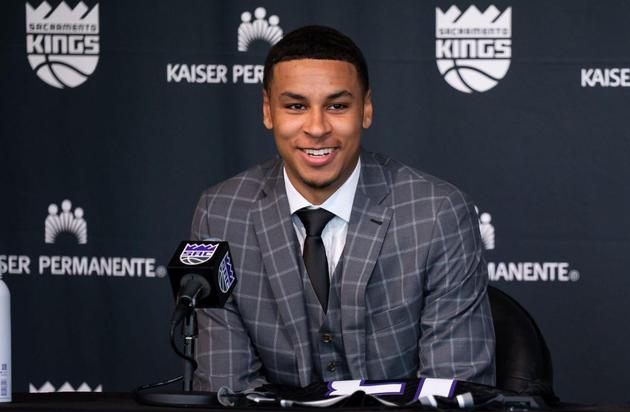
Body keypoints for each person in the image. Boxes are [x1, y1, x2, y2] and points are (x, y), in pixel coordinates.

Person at [190, 25, 494, 391]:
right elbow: (228, 393)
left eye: (337, 106)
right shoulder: (221, 213)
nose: (317, 128)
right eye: (296, 106)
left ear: (365, 109)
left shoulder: (438, 213)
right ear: (268, 111)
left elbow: (450, 394)